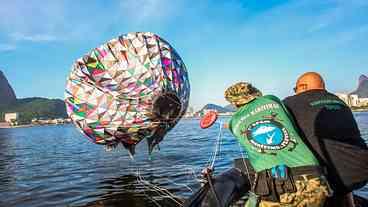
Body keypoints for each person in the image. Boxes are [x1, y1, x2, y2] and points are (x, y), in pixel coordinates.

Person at [224, 82, 331, 207]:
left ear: (234, 102)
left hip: (277, 187)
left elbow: (237, 128)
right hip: (314, 178)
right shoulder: (271, 99)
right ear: (254, 91)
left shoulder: (234, 121)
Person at [283, 72, 368, 207]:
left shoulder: (291, 102)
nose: (295, 92)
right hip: (361, 170)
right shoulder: (340, 101)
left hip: (327, 177)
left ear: (303, 87)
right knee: (338, 161)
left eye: (295, 89)